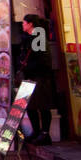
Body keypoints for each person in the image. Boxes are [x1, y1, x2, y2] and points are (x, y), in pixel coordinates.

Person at [20, 14, 54, 145]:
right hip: (30, 75)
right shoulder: (27, 37)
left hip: (40, 76)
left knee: (42, 105)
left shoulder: (39, 36)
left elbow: (42, 60)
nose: (22, 25)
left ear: (30, 24)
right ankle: (36, 131)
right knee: (30, 106)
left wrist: (28, 66)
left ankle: (45, 134)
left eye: (24, 23)